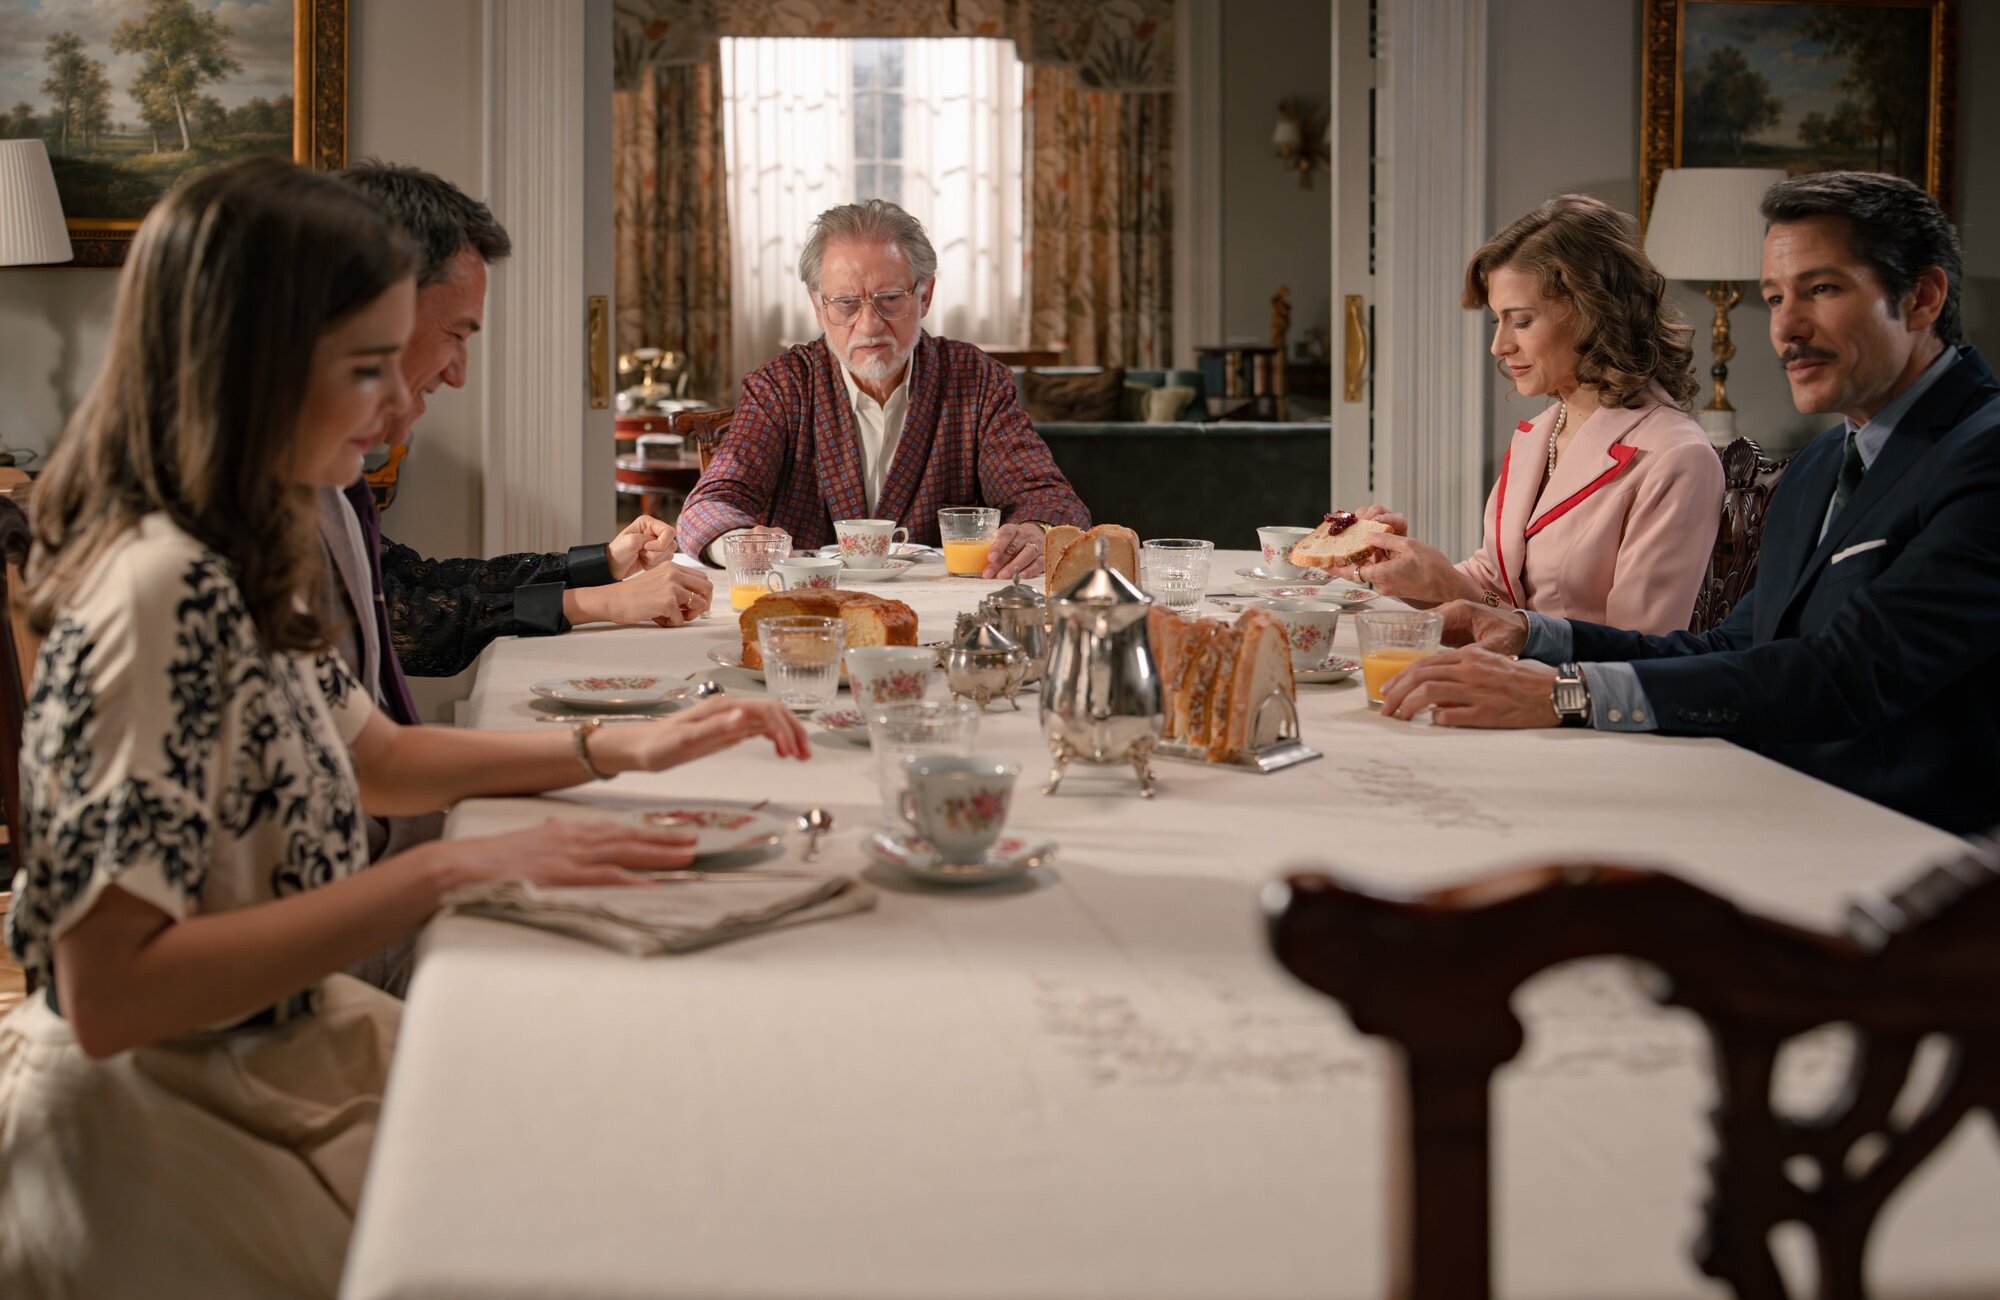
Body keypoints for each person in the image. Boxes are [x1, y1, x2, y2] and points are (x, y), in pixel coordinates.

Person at [0, 158, 810, 1297]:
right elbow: (111, 993)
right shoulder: (157, 589)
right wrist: (451, 874)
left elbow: (374, 755)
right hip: (156, 1108)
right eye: (368, 369)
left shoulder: (240, 542)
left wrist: (622, 743)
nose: (398, 407)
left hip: (264, 1039)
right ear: (254, 365)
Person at [1376, 171, 2000, 835]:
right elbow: (1732, 645)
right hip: (1773, 805)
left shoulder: (1983, 456)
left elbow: (1844, 673)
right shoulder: (1820, 464)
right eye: (1774, 296)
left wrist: (1567, 694)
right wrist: (1533, 634)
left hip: (1919, 855)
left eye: (1821, 289)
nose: (1786, 326)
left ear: (1923, 297)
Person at [329, 162, 713, 703]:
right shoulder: (282, 483)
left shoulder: (331, 475)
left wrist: (600, 564)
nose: (459, 373)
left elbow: (419, 580)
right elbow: (411, 625)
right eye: (455, 334)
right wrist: (601, 601)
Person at [1338, 195, 1724, 634]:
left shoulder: (1677, 459)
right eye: (1496, 322)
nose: (1499, 346)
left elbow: (1638, 652)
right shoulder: (1542, 434)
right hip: (1502, 675)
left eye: (1520, 321)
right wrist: (1406, 570)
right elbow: (1496, 590)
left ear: (1594, 313)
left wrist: (1448, 586)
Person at [675, 200, 1091, 579]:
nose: (870, 325)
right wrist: (738, 544)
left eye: (890, 299)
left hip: (944, 617)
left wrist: (1037, 534)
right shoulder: (781, 388)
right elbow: (707, 505)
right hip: (812, 611)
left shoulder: (976, 381)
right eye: (846, 303)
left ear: (925, 296)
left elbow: (1050, 500)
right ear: (818, 307)